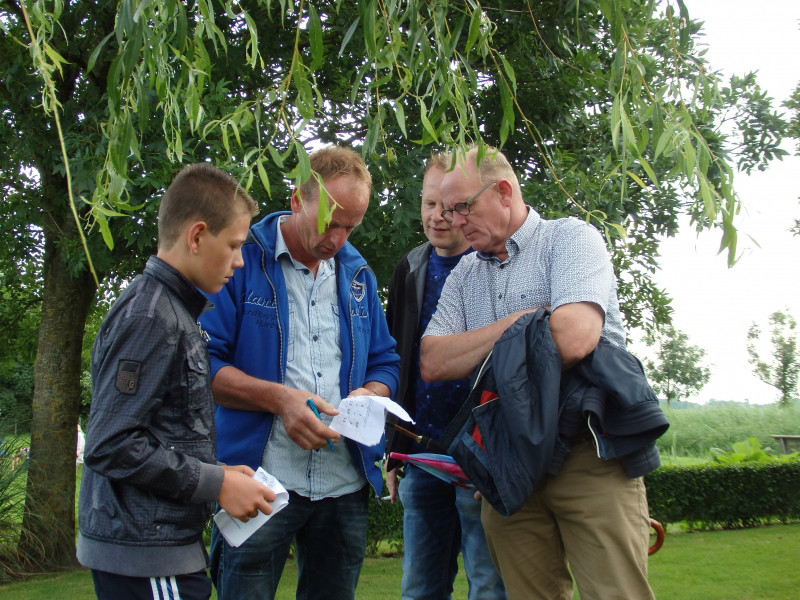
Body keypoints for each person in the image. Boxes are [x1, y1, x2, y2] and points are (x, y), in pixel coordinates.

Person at [419, 145, 657, 600]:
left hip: (588, 454)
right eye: (447, 210)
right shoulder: (464, 273)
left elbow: (573, 336)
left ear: (503, 192)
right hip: (510, 466)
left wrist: (483, 352)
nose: (453, 221)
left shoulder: (570, 239)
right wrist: (524, 321)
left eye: (463, 207)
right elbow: (433, 360)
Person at [199, 145, 400, 600]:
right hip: (259, 481)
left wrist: (371, 393)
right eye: (330, 221)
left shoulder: (358, 275)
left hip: (344, 483)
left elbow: (386, 362)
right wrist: (280, 400)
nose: (339, 239)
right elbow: (202, 365)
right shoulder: (240, 259)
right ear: (296, 200)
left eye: (351, 226)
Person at [77, 163, 277, 600]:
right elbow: (110, 443)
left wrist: (216, 471)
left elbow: (157, 431)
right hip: (148, 557)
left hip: (158, 551)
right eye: (234, 245)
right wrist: (215, 484)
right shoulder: (152, 317)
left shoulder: (169, 310)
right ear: (197, 236)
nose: (240, 261)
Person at [384, 152, 506, 600]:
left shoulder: (495, 262)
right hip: (422, 453)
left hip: (482, 453)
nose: (437, 216)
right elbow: (398, 361)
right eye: (429, 203)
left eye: (450, 206)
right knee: (420, 587)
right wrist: (394, 449)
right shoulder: (410, 267)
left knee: (488, 585)